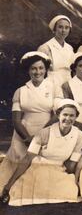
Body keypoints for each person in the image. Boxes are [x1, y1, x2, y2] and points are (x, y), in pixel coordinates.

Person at [0, 99, 82, 206]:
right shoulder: (44, 133)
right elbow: (27, 159)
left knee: (69, 190)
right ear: (58, 115)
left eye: (72, 115)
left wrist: (73, 181)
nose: (68, 119)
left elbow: (72, 164)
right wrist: (9, 185)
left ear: (76, 117)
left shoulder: (80, 136)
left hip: (59, 169)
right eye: (65, 114)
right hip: (39, 168)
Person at [0, 52, 58, 189]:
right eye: (33, 68)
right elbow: (16, 120)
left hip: (47, 131)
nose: (37, 72)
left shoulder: (54, 88)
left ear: (45, 69)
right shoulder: (20, 91)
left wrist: (39, 137)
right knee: (21, 163)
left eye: (41, 68)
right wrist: (27, 138)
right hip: (23, 134)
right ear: (28, 70)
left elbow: (57, 115)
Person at [38, 15, 74, 87]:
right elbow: (39, 70)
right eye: (60, 27)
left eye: (66, 28)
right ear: (54, 29)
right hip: (52, 83)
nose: (63, 30)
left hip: (68, 83)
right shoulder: (45, 47)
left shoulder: (70, 48)